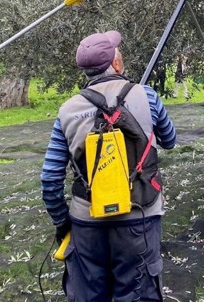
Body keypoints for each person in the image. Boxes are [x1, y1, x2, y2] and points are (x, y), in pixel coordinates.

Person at [41, 31, 176, 301]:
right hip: (140, 216)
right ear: (115, 64)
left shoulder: (67, 110)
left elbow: (50, 178)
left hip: (86, 222)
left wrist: (63, 222)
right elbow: (169, 140)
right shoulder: (147, 96)